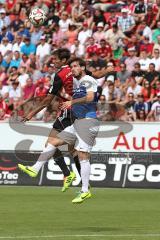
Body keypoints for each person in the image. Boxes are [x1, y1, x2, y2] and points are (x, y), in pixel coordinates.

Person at [19, 57, 99, 203]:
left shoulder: (88, 80)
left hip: (88, 121)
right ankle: (35, 169)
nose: (72, 69)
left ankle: (85, 190)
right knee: (53, 142)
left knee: (83, 154)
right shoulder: (78, 82)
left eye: (75, 66)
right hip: (78, 122)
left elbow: (91, 97)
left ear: (82, 68)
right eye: (71, 66)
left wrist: (71, 102)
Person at [18, 48, 80, 192]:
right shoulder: (76, 70)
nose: (54, 61)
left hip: (69, 111)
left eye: (56, 59)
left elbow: (47, 101)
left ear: (63, 60)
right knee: (62, 147)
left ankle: (39, 169)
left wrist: (31, 114)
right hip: (72, 110)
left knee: (57, 146)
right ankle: (70, 175)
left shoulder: (60, 75)